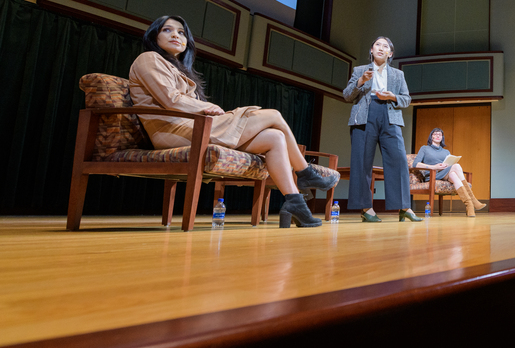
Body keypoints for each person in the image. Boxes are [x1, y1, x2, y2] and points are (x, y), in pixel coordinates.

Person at [129, 16, 337, 228]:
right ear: (154, 36)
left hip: (192, 128)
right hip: (170, 131)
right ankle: (305, 173)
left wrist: (206, 111)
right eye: (167, 30)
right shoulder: (149, 58)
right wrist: (204, 107)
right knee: (273, 115)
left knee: (275, 137)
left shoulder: (179, 69)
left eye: (181, 32)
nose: (176, 35)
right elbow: (169, 99)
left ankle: (295, 202)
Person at [344, 36, 422, 223]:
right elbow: (347, 95)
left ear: (390, 53)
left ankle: (404, 207)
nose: (381, 48)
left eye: (385, 46)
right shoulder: (359, 70)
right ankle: (366, 208)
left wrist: (393, 96)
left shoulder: (397, 75)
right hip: (364, 116)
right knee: (362, 162)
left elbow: (407, 99)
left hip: (390, 116)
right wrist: (360, 81)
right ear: (371, 50)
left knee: (398, 160)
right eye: (377, 45)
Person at [411, 127, 485, 217]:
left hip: (445, 173)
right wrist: (434, 167)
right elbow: (415, 164)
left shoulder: (446, 151)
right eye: (435, 134)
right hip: (433, 174)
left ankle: (469, 205)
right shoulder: (425, 148)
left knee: (454, 173)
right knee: (456, 167)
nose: (438, 135)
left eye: (440, 134)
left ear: (442, 137)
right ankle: (473, 201)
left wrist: (447, 165)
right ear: (431, 137)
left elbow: (450, 163)